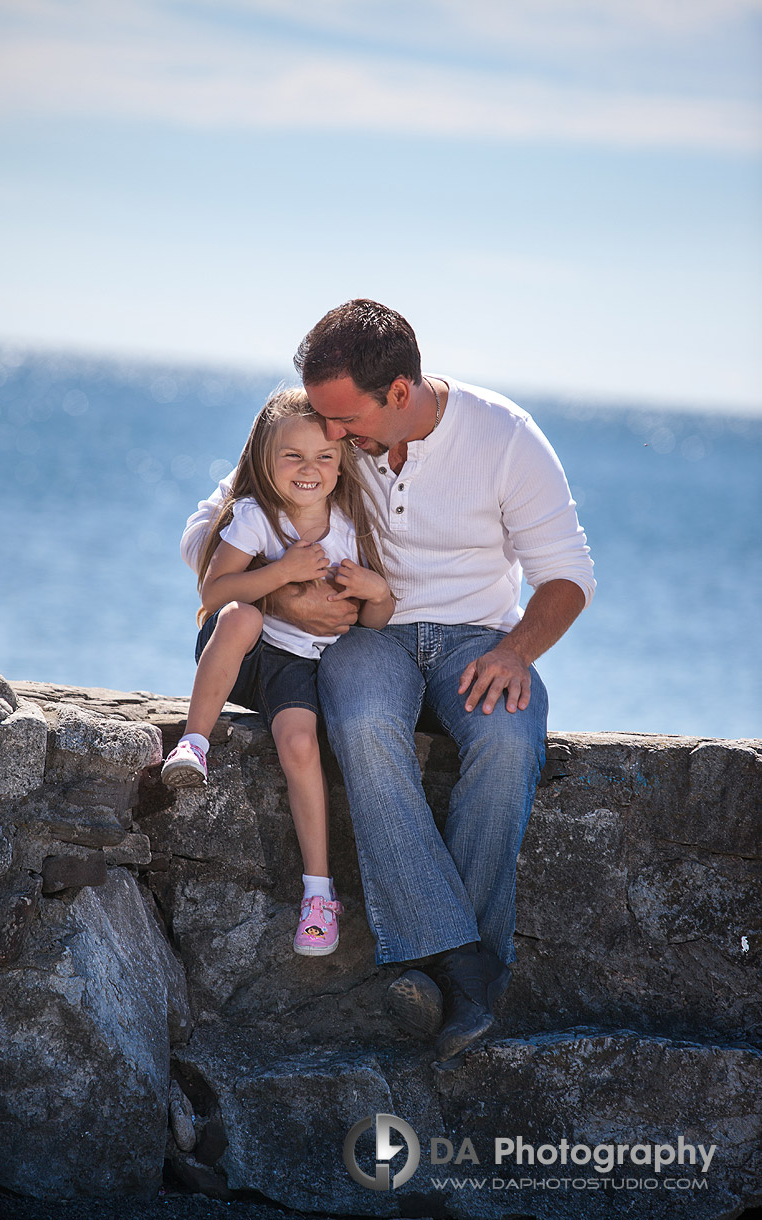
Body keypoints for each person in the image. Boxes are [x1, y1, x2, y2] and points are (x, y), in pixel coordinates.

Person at [181, 301, 595, 1061]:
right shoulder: (321, 433)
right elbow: (201, 541)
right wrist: (279, 597)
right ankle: (467, 970)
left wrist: (517, 652)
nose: (332, 436)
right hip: (368, 637)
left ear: (398, 393)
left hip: (480, 638)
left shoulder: (504, 436)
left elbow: (568, 575)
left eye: (346, 420)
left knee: (508, 743)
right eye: (325, 419)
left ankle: (439, 967)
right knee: (367, 726)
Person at [166, 386, 394, 957]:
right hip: (240, 650)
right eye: (292, 456)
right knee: (241, 616)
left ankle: (318, 894)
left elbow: (373, 620)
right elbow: (213, 593)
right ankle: (193, 743)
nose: (308, 469)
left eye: (323, 458)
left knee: (298, 743)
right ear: (266, 462)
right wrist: (283, 571)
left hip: (298, 664)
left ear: (342, 468)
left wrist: (379, 592)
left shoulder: (351, 528)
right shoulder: (254, 517)